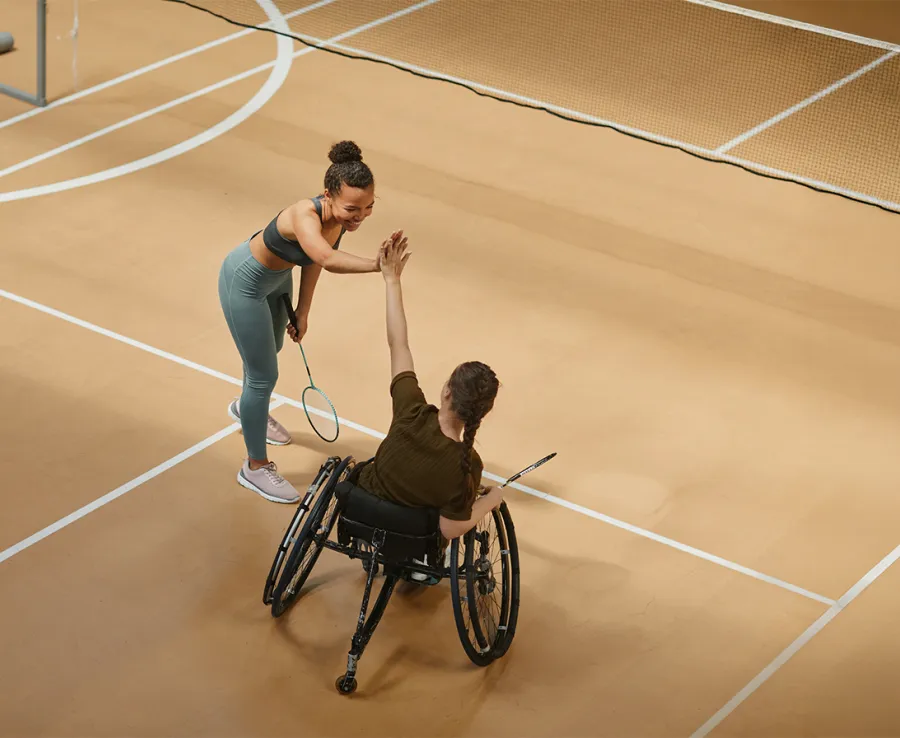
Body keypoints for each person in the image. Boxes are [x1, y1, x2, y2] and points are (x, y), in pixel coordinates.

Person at [218, 140, 402, 504]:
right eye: (352, 208)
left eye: (368, 207)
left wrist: (304, 311)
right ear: (328, 196)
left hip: (278, 282)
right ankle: (254, 467)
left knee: (270, 350)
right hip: (246, 283)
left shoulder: (338, 221)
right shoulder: (304, 215)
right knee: (262, 375)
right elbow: (325, 256)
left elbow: (314, 263)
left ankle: (247, 409)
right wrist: (377, 266)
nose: (360, 215)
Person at [356, 234, 505, 570]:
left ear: (447, 392)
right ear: (483, 412)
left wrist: (391, 280)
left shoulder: (411, 409)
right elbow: (451, 528)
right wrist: (491, 500)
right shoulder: (467, 465)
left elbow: (399, 343)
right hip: (409, 538)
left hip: (361, 511)